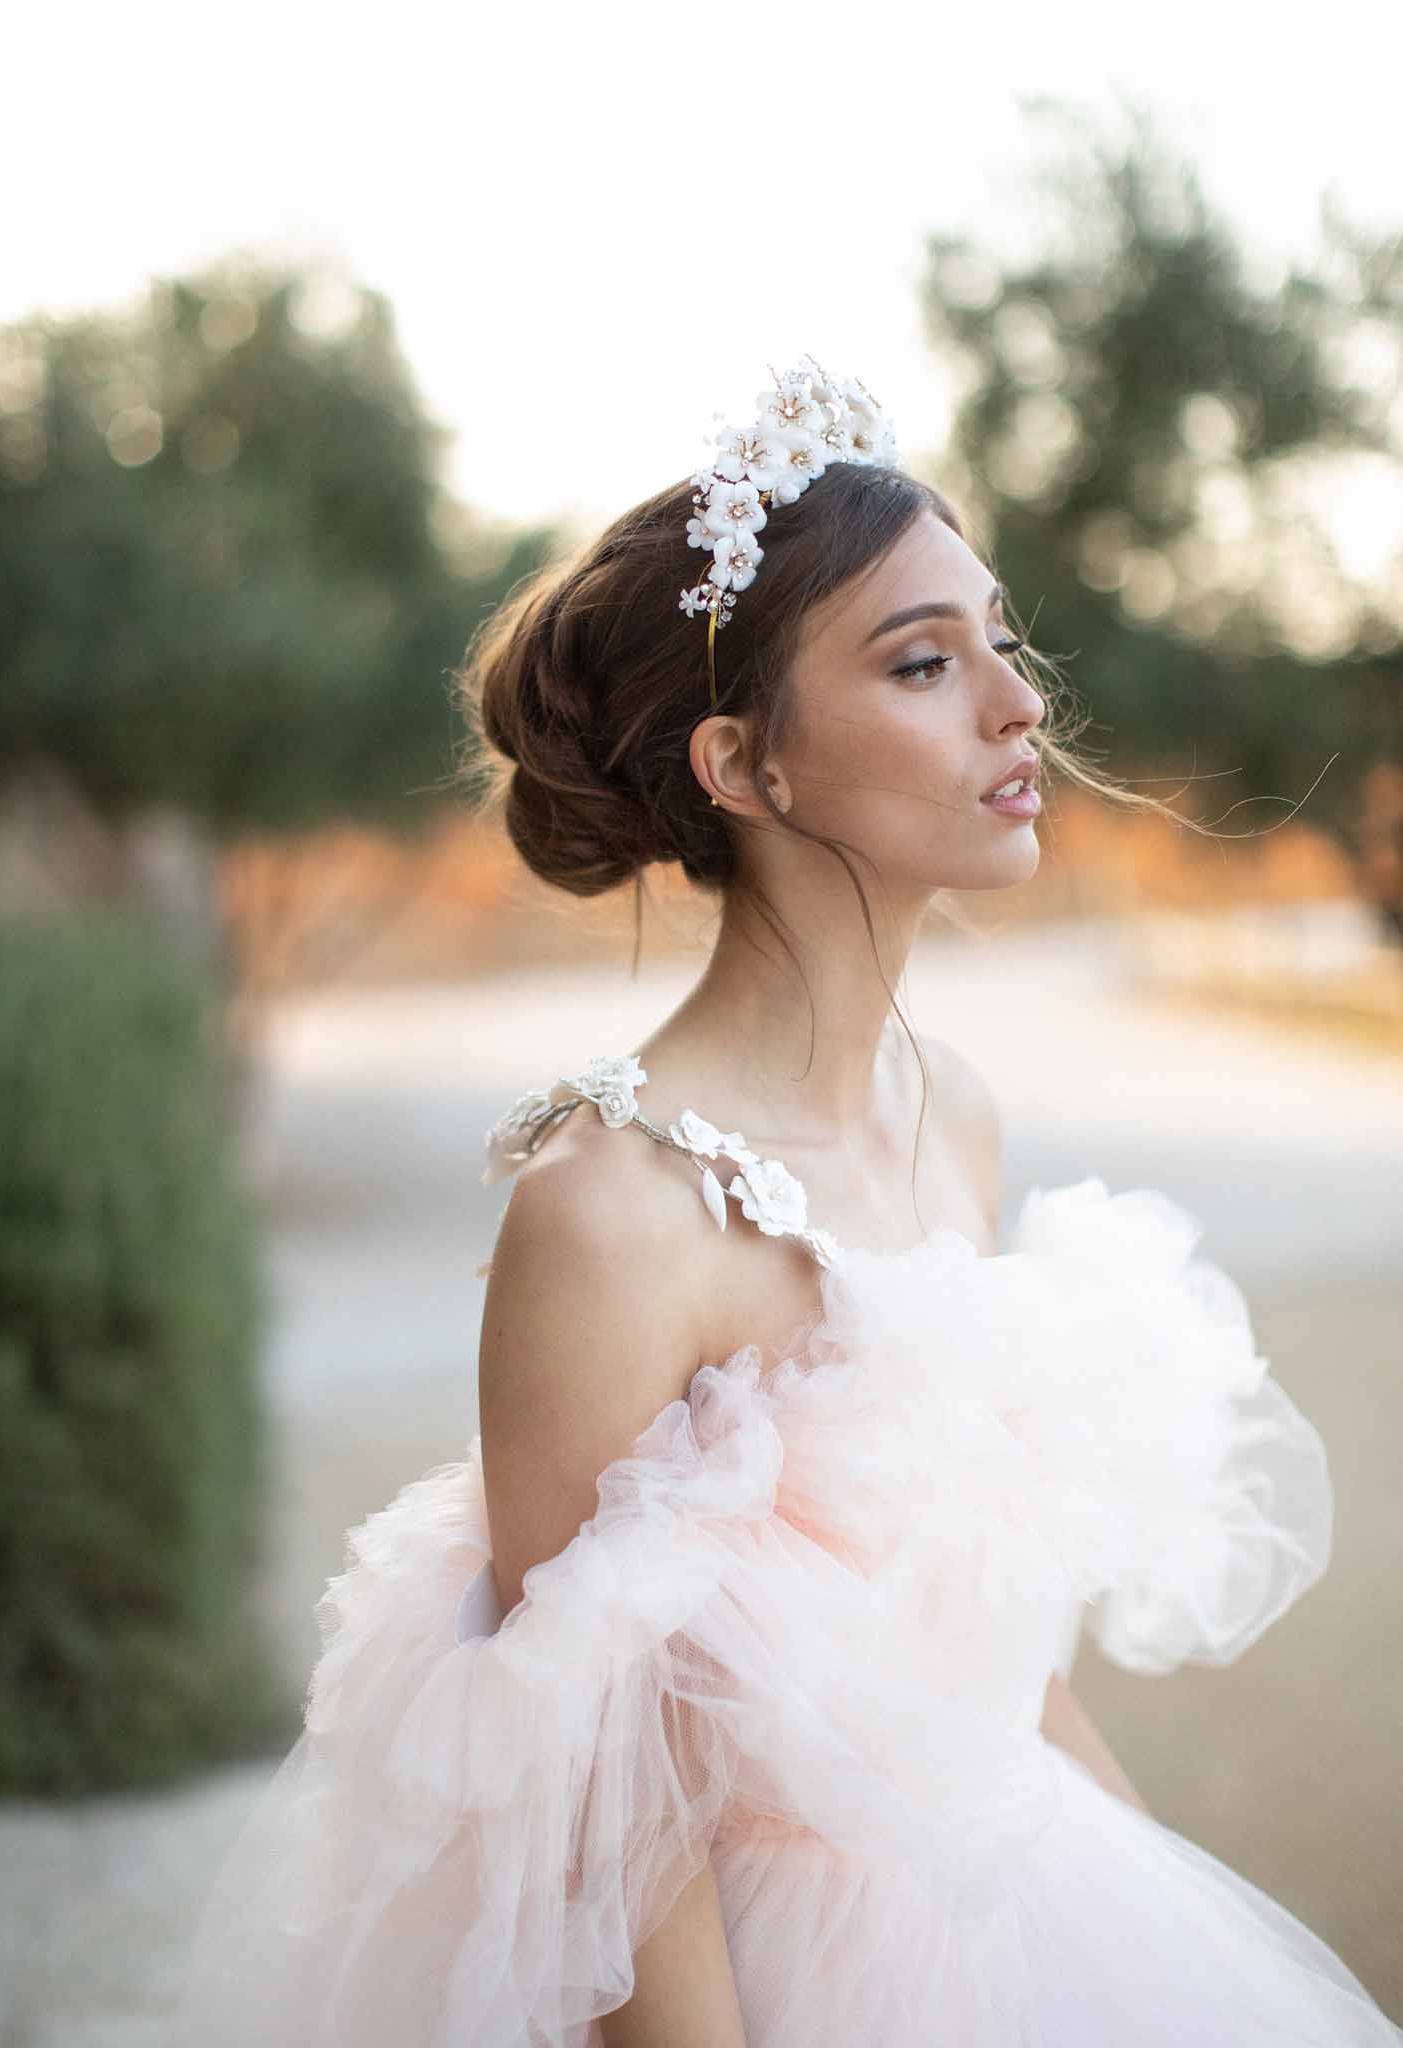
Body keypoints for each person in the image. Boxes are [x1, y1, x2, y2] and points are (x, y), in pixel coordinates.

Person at [170, 357, 1402, 2045]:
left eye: (999, 640)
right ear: (747, 765)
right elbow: (599, 1827)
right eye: (921, 662)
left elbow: (994, 1676)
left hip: (1022, 1922)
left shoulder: (949, 1111)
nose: (1017, 703)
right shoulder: (611, 1207)